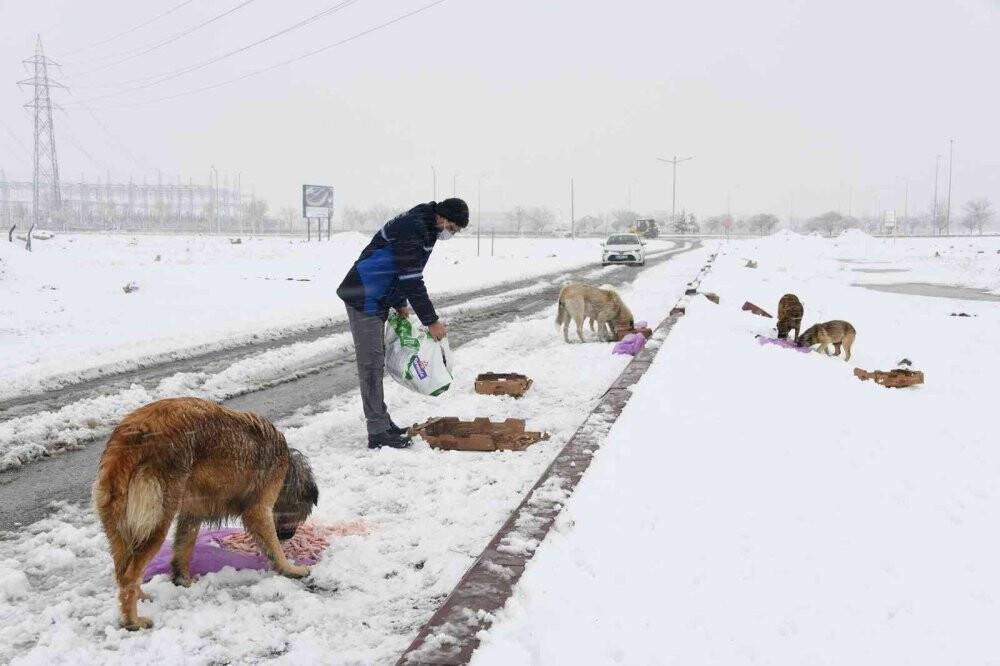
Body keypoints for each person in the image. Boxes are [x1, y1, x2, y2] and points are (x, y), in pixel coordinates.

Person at [337, 198, 469, 449]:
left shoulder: (427, 228)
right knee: (371, 364)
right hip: (363, 294)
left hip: (378, 294)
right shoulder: (414, 227)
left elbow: (401, 268)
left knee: (376, 361)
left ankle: (383, 422)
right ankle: (377, 432)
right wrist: (431, 322)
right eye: (452, 228)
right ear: (442, 217)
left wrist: (398, 301)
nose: (451, 234)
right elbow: (411, 279)